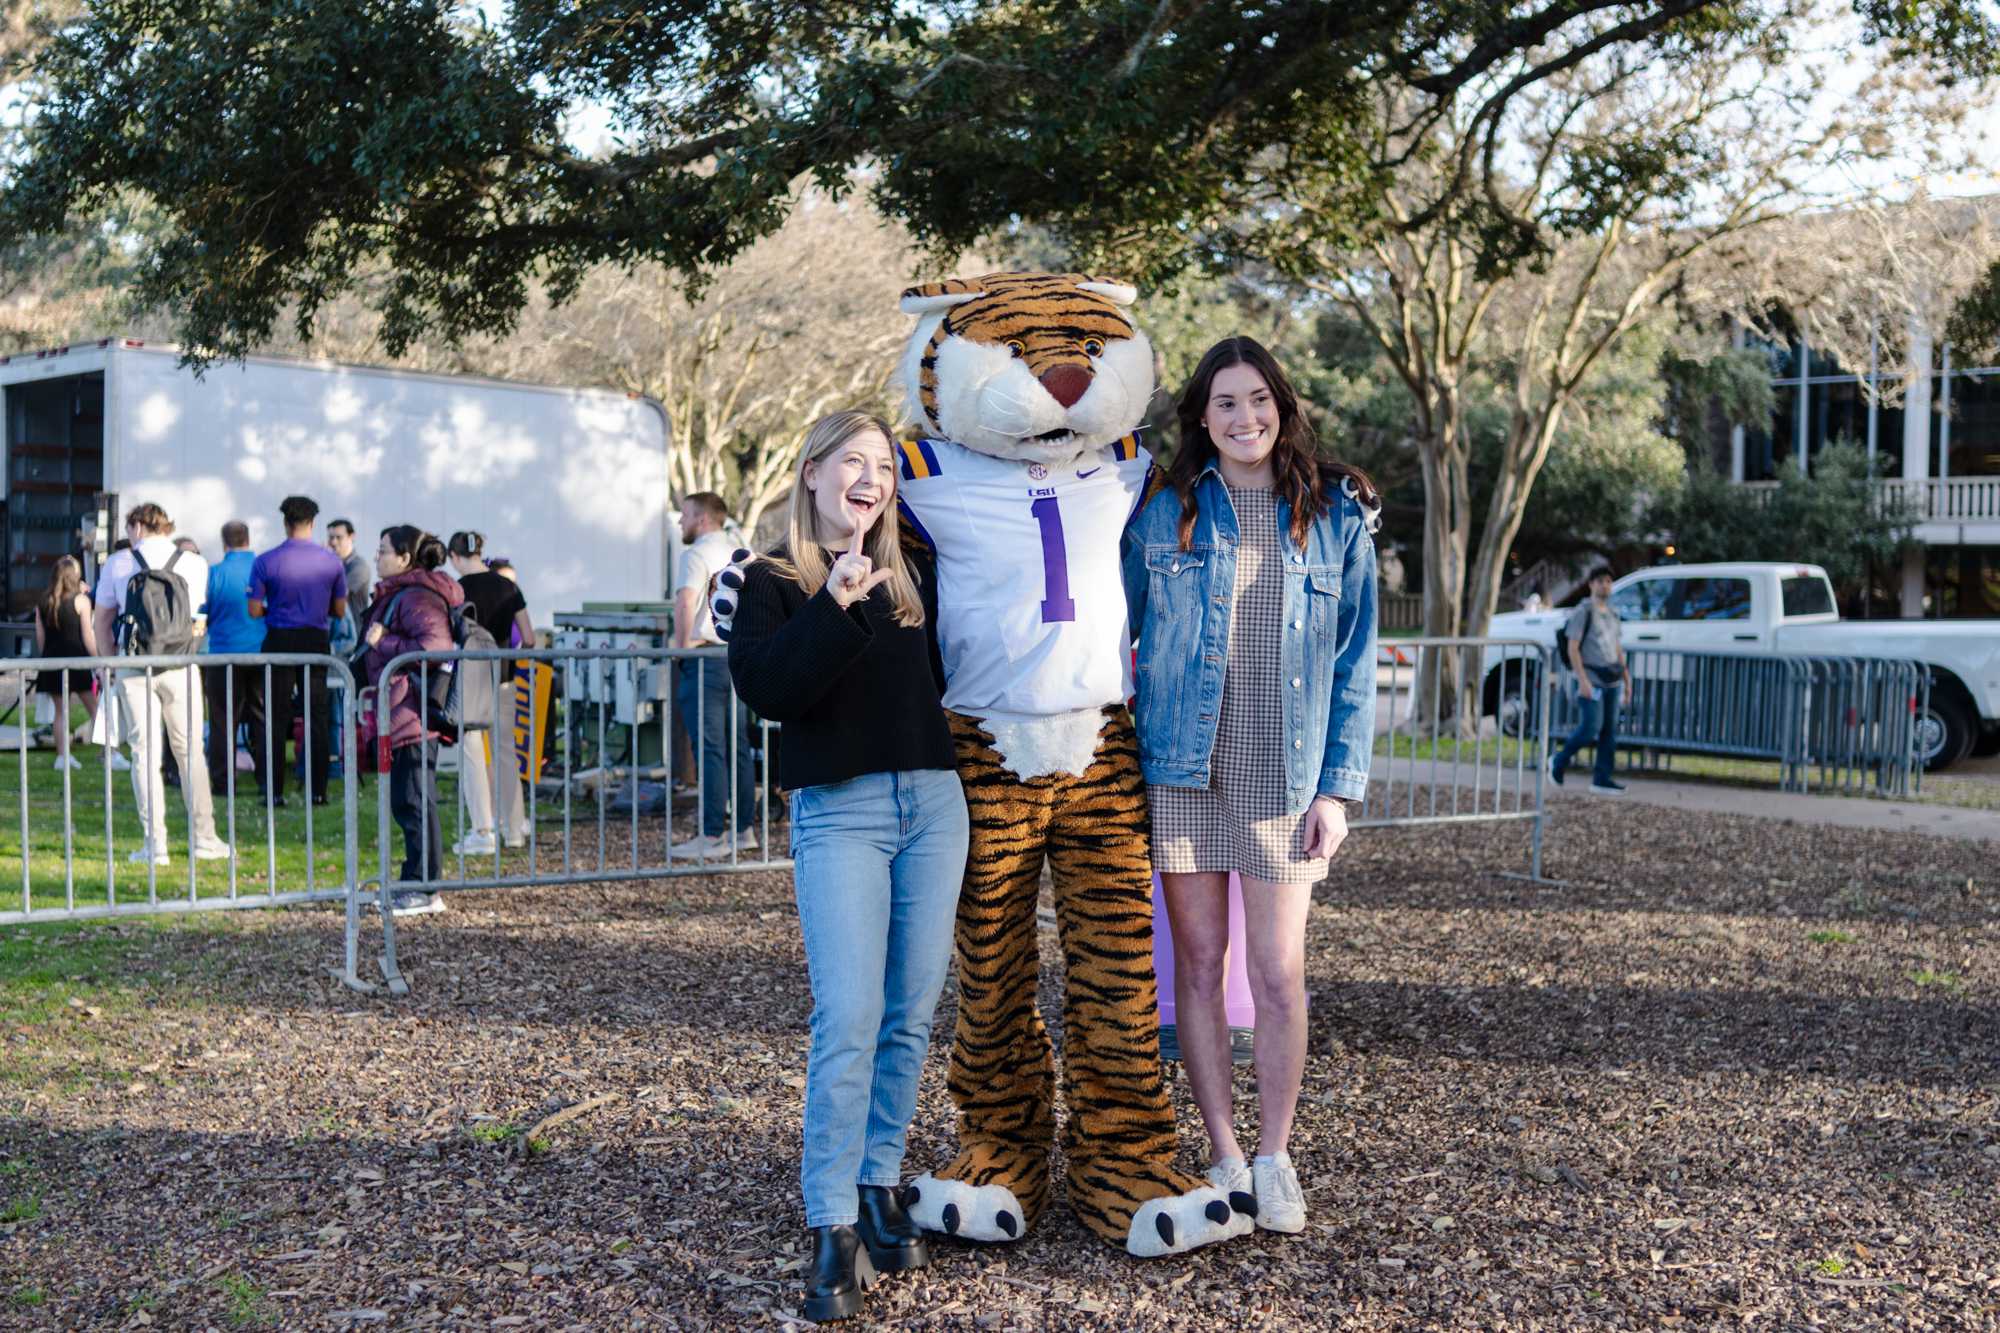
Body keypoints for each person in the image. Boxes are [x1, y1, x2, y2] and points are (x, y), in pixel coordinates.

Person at [1122, 336, 1378, 1236]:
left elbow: (1353, 663)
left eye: (1259, 399)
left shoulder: (1336, 512)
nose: (1245, 418)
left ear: (1283, 405)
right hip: (1185, 770)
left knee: (1276, 971)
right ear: (1200, 415)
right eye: (1225, 402)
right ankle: (1223, 1150)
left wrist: (1337, 790)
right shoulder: (1164, 510)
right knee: (1195, 966)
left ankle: (1275, 1156)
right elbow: (1118, 627)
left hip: (1284, 774)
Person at [725, 411, 966, 1323]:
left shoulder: (917, 571)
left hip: (935, 807)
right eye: (852, 462)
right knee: (851, 1014)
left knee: (908, 1014)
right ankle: (830, 1218)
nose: (871, 478)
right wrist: (836, 603)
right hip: (842, 812)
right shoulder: (772, 580)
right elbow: (770, 687)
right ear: (815, 471)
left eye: (884, 466)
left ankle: (879, 1180)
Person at [90, 502, 231, 866]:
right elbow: (199, 616)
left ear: (137, 526)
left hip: (135, 666)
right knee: (189, 753)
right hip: (181, 664)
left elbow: (102, 619)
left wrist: (108, 664)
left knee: (143, 755)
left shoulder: (119, 564)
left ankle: (156, 845)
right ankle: (204, 837)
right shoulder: (194, 563)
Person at [359, 526, 464, 915]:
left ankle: (425, 887)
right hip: (401, 712)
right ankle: (413, 880)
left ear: (404, 559)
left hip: (413, 713)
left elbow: (434, 647)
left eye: (383, 550)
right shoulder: (405, 594)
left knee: (415, 801)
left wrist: (382, 643)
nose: (377, 557)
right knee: (409, 800)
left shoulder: (417, 596)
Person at [672, 491, 758, 858]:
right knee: (736, 745)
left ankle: (711, 836)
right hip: (734, 656)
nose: (680, 521)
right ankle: (743, 830)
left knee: (709, 748)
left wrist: (681, 648)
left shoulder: (695, 554)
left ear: (702, 519)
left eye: (686, 514)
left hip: (705, 656)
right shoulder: (740, 551)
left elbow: (686, 600)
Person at [248, 495, 348, 807]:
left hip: (279, 638)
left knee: (275, 717)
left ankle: (273, 790)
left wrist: (274, 611)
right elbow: (341, 610)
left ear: (285, 523)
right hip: (315, 639)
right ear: (313, 523)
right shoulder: (331, 561)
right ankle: (318, 791)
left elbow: (253, 610)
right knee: (316, 716)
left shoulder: (265, 561)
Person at [446, 530, 532, 854]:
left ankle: (483, 829)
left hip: (471, 678)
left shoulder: (457, 590)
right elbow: (530, 636)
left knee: (472, 751)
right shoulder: (508, 586)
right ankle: (514, 829)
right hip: (504, 676)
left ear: (455, 557)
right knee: (505, 752)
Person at [199, 521, 270, 799]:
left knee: (221, 721)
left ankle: (223, 782)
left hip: (223, 654)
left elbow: (203, 614)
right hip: (259, 652)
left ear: (224, 542)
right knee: (262, 719)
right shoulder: (262, 569)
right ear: (248, 540)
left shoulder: (214, 574)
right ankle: (267, 780)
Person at [1549, 567, 1630, 795]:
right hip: (1591, 678)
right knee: (1590, 727)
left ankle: (1602, 778)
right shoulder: (1583, 611)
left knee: (1609, 731)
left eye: (1608, 581)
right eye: (1600, 581)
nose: (1605, 585)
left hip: (1612, 679)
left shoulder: (1613, 614)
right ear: (1591, 584)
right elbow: (1573, 647)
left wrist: (1627, 679)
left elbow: (1617, 648)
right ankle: (1559, 760)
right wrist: (1582, 680)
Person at [32, 556, 98, 771]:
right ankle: (110, 753)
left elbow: (40, 637)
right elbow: (88, 635)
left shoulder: (44, 601)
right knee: (95, 708)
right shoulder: (81, 601)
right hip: (76, 660)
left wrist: (45, 658)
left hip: (52, 660)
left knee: (61, 712)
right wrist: (98, 659)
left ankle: (62, 757)